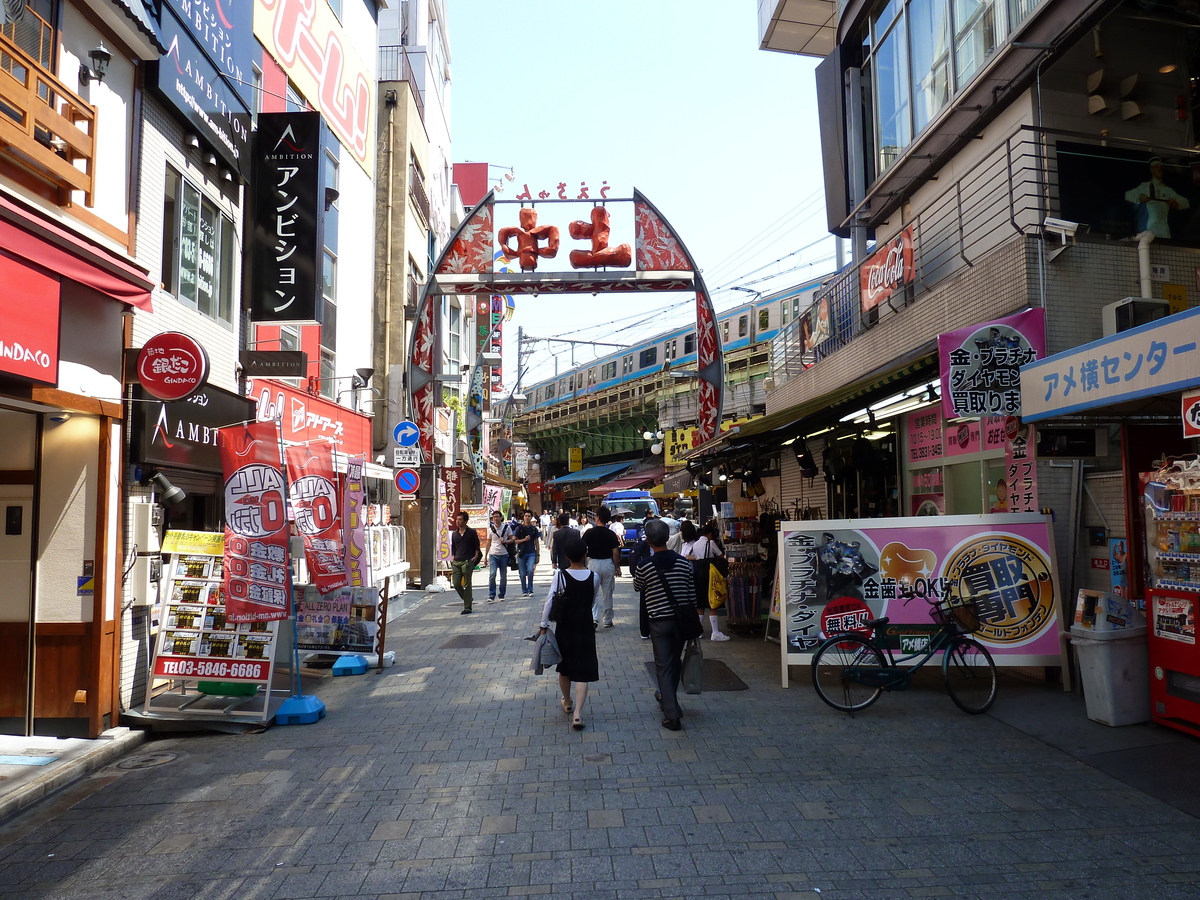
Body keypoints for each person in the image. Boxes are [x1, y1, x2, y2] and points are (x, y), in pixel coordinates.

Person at [634, 518, 697, 731]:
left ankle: (672, 714)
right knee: (674, 662)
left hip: (659, 621)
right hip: (681, 621)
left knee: (663, 666)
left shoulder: (645, 566)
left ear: (649, 541)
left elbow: (637, 586)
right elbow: (691, 595)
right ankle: (665, 695)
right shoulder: (682, 563)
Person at [537, 535, 599, 730]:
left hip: (565, 626)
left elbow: (549, 600)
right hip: (586, 626)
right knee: (583, 670)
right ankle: (578, 715)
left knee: (564, 667)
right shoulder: (593, 577)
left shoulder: (560, 576)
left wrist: (543, 624)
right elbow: (592, 600)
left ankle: (567, 700)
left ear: (566, 556)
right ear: (585, 555)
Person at [681, 520, 729, 641]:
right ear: (710, 534)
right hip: (710, 573)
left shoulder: (695, 544)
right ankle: (715, 632)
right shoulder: (710, 542)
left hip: (698, 573)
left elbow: (695, 557)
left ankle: (699, 631)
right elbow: (720, 556)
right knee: (713, 602)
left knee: (700, 603)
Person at [1125, 156, 1190, 239]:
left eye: (1160, 167)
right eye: (1156, 167)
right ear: (1151, 170)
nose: (1159, 169)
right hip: (1151, 229)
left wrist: (1176, 203)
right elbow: (1127, 195)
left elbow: (1186, 202)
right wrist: (1138, 197)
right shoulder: (1145, 186)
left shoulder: (1167, 190)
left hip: (1165, 230)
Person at [584, 506, 621, 628]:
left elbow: (583, 550)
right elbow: (615, 552)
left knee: (592, 593)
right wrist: (617, 567)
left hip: (593, 563)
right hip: (607, 564)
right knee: (608, 593)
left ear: (597, 517)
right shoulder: (611, 534)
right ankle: (608, 620)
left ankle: (594, 618)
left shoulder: (589, 533)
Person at [450, 510, 481, 615]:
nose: (457, 521)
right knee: (456, 583)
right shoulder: (454, 534)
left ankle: (467, 607)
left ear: (465, 521)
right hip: (457, 561)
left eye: (460, 519)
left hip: (467, 561)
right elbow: (453, 547)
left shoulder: (471, 532)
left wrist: (476, 556)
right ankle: (467, 598)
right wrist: (453, 557)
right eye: (457, 519)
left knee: (467, 584)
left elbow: (477, 545)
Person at [485, 510, 514, 602]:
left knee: (503, 576)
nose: (496, 518)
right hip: (493, 554)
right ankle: (491, 595)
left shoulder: (507, 527)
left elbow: (512, 539)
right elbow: (488, 542)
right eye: (494, 517)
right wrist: (485, 556)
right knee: (492, 575)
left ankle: (502, 594)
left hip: (504, 554)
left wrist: (505, 541)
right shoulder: (490, 529)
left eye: (497, 516)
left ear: (501, 517)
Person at [515, 510, 541, 597]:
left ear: (531, 517)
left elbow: (537, 542)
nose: (527, 517)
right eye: (526, 516)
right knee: (522, 574)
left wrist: (538, 554)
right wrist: (524, 540)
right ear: (523, 517)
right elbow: (515, 540)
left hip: (531, 553)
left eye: (529, 516)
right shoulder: (519, 528)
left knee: (530, 570)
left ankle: (530, 589)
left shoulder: (534, 529)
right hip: (521, 553)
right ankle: (524, 590)